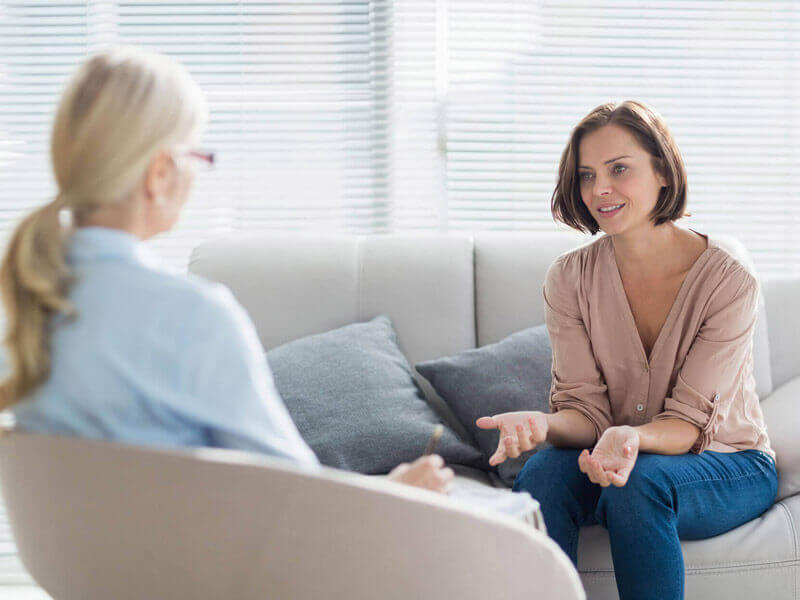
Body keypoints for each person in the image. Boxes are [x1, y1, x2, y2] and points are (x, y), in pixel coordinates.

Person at [0, 46, 453, 495]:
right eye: (197, 156)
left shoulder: (24, 301)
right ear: (159, 173)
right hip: (198, 567)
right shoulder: (191, 316)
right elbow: (296, 502)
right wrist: (396, 494)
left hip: (81, 568)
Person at [476, 100, 777, 600]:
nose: (599, 190)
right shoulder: (569, 279)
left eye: (619, 169)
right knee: (543, 472)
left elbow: (686, 424)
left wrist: (627, 439)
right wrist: (542, 425)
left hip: (726, 461)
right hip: (612, 452)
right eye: (586, 175)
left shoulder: (728, 283)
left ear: (662, 169)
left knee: (640, 483)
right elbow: (585, 413)